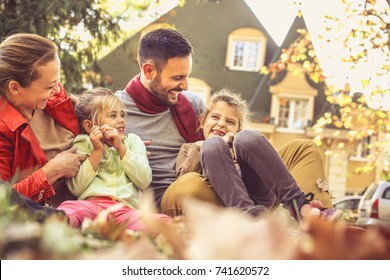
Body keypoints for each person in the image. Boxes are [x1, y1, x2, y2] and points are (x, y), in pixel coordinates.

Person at [116, 28, 333, 218]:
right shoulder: (116, 110)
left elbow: (222, 140)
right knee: (192, 183)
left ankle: (316, 216)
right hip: (175, 195)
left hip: (226, 184)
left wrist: (232, 142)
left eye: (187, 76)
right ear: (148, 71)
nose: (185, 85)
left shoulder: (191, 103)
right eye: (177, 78)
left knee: (303, 148)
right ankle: (245, 217)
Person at [176, 89, 343, 221]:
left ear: (236, 129)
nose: (221, 123)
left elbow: (265, 167)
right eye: (215, 117)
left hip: (258, 197)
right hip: (218, 201)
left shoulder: (239, 145)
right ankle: (247, 217)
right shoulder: (190, 148)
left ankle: (300, 206)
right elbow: (182, 178)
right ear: (202, 122)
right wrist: (203, 147)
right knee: (213, 145)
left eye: (230, 122)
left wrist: (231, 143)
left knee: (247, 137)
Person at [57, 88, 172, 231]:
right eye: (113, 116)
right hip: (91, 206)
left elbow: (144, 180)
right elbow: (76, 188)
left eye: (122, 115)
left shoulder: (133, 142)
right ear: (89, 125)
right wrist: (97, 151)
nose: (121, 120)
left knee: (163, 222)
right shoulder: (83, 143)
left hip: (126, 211)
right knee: (67, 210)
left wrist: (120, 147)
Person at [0, 33, 85, 219]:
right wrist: (52, 171)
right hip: (55, 217)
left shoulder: (54, 99)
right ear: (15, 88)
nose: (57, 90)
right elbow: (3, 199)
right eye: (49, 87)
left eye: (57, 82)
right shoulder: (4, 130)